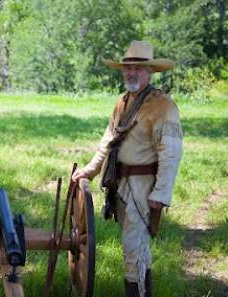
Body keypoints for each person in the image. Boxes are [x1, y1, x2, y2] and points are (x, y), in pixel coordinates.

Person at [72, 40, 182, 297]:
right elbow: (109, 141)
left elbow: (171, 153)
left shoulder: (162, 106)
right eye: (127, 68)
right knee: (134, 248)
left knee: (134, 247)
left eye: (138, 69)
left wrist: (160, 194)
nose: (131, 73)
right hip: (119, 185)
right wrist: (90, 169)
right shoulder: (123, 101)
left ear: (150, 72)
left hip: (143, 188)